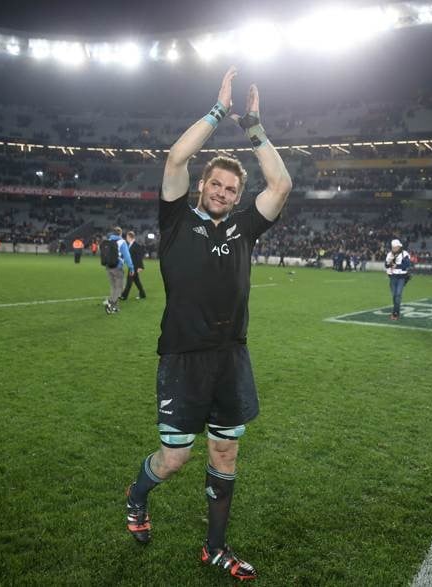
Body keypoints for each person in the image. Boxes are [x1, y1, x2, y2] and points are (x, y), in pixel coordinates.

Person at [126, 66, 292, 581]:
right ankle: (136, 498)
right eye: (215, 184)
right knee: (174, 459)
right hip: (183, 357)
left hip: (230, 357)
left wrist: (254, 128)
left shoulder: (244, 227)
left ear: (238, 196)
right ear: (203, 185)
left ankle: (214, 548)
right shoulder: (176, 220)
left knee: (225, 453)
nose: (221, 192)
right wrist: (218, 112)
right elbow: (175, 156)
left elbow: (282, 182)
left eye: (230, 188)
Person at [103, 227, 134, 314]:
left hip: (108, 267)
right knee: (120, 288)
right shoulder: (122, 242)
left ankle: (114, 308)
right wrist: (131, 267)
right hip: (117, 267)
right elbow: (127, 256)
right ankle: (110, 303)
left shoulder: (108, 241)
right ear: (120, 233)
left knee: (113, 287)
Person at [385, 238, 411, 320]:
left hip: (401, 277)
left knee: (398, 295)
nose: (395, 248)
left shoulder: (405, 254)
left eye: (397, 247)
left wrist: (397, 266)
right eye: (394, 247)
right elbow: (386, 265)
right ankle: (396, 311)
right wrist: (389, 264)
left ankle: (395, 313)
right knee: (394, 296)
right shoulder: (389, 254)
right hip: (392, 276)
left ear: (399, 247)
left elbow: (407, 265)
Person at [120, 231, 146, 300]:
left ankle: (124, 296)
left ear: (130, 237)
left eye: (127, 237)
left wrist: (141, 267)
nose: (126, 238)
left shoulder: (136, 245)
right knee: (137, 281)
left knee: (129, 282)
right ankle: (142, 294)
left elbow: (139, 257)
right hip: (132, 266)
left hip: (135, 267)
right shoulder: (130, 245)